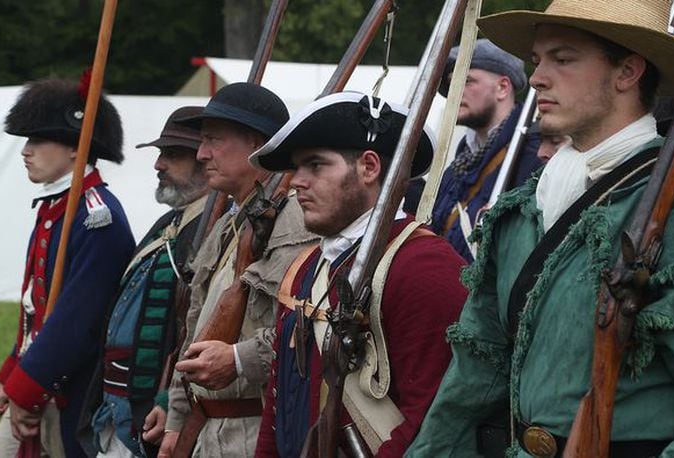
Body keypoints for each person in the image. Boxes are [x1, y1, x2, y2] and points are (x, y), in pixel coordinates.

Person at [408, 1, 674, 456]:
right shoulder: (521, 212)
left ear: (628, 72)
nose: (536, 78)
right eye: (538, 60)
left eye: (564, 59)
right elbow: (474, 379)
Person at [250, 92, 468, 456]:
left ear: (368, 167)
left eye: (315, 165)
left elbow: (433, 419)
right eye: (297, 168)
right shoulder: (306, 267)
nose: (296, 182)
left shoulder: (425, 267)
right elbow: (279, 402)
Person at [157, 83, 317, 457]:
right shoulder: (229, 224)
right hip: (209, 428)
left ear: (258, 145)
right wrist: (177, 420)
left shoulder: (295, 222)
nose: (200, 153)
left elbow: (300, 332)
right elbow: (194, 329)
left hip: (254, 430)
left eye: (213, 139)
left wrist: (238, 360)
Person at [0, 78, 135, 457]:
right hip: (41, 380)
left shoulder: (97, 218)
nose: (26, 151)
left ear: (75, 147)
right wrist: (12, 376)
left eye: (38, 140)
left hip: (69, 391)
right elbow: (35, 309)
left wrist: (26, 389)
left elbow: (77, 322)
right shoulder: (56, 208)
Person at [76, 106, 210, 457]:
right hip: (114, 404)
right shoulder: (169, 224)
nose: (158, 165)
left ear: (206, 158)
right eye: (161, 153)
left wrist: (170, 401)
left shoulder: (213, 229)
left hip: (151, 408)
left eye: (174, 154)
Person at [430, 38, 542, 262]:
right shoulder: (457, 167)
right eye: (452, 83)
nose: (455, 92)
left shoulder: (534, 156)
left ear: (502, 87)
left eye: (467, 81)